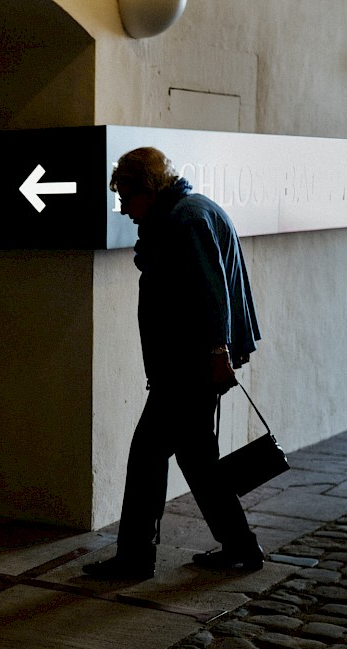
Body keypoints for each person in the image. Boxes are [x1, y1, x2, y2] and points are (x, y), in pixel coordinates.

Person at [83, 147, 263, 580]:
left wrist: (218, 356)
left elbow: (210, 293)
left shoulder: (186, 220)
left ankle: (135, 557)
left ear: (148, 188)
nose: (124, 209)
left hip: (189, 369)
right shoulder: (185, 213)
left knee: (147, 456)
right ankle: (241, 546)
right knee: (198, 460)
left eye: (127, 197)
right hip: (186, 365)